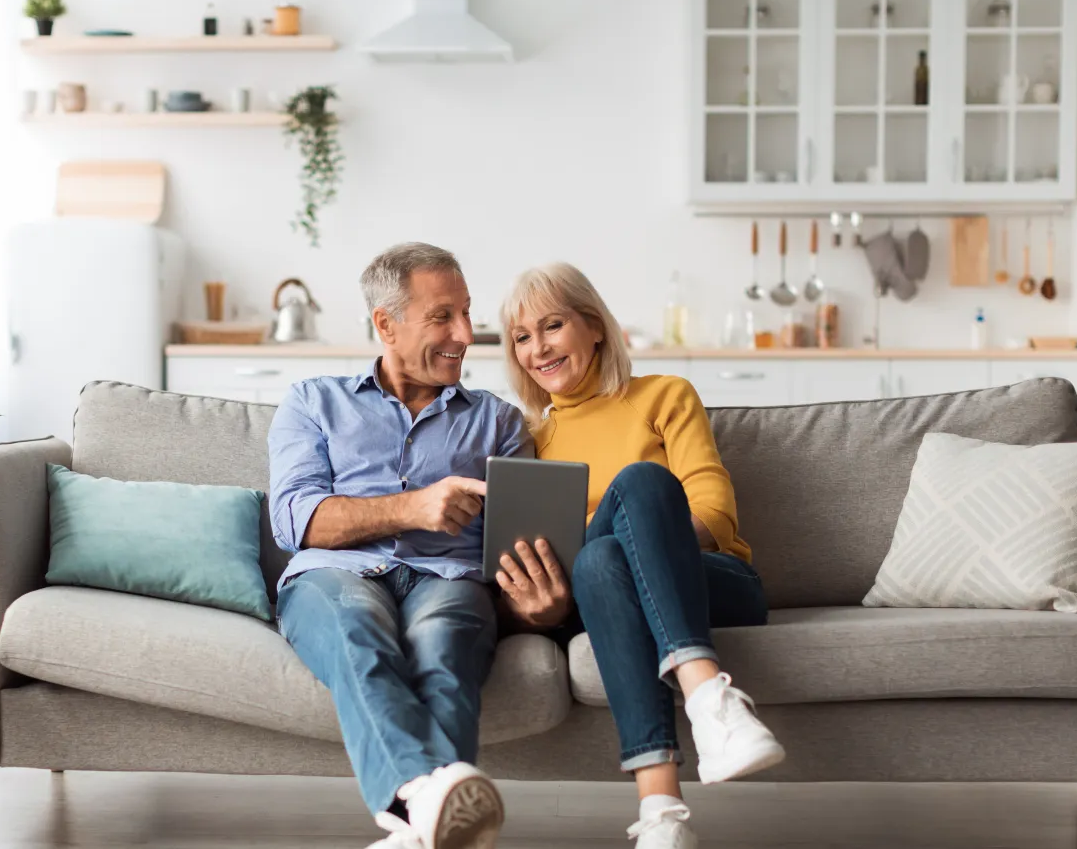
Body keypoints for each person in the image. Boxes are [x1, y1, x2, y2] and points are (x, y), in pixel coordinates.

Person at [494, 262, 783, 849]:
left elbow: (717, 517)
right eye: (521, 337)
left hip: (712, 580)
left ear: (595, 327)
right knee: (600, 564)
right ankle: (664, 817)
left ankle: (705, 696)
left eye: (552, 326)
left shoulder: (663, 395)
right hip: (600, 595)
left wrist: (641, 531)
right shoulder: (527, 442)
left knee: (643, 484)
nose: (537, 348)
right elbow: (544, 564)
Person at [268, 242, 530, 849]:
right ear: (385, 324)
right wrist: (413, 507)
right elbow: (294, 520)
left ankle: (414, 826)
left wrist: (540, 602)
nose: (465, 334)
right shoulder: (313, 402)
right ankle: (427, 798)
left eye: (467, 313)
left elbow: (517, 548)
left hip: (450, 580)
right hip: (336, 575)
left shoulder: (499, 423)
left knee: (445, 644)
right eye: (443, 316)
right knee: (355, 628)